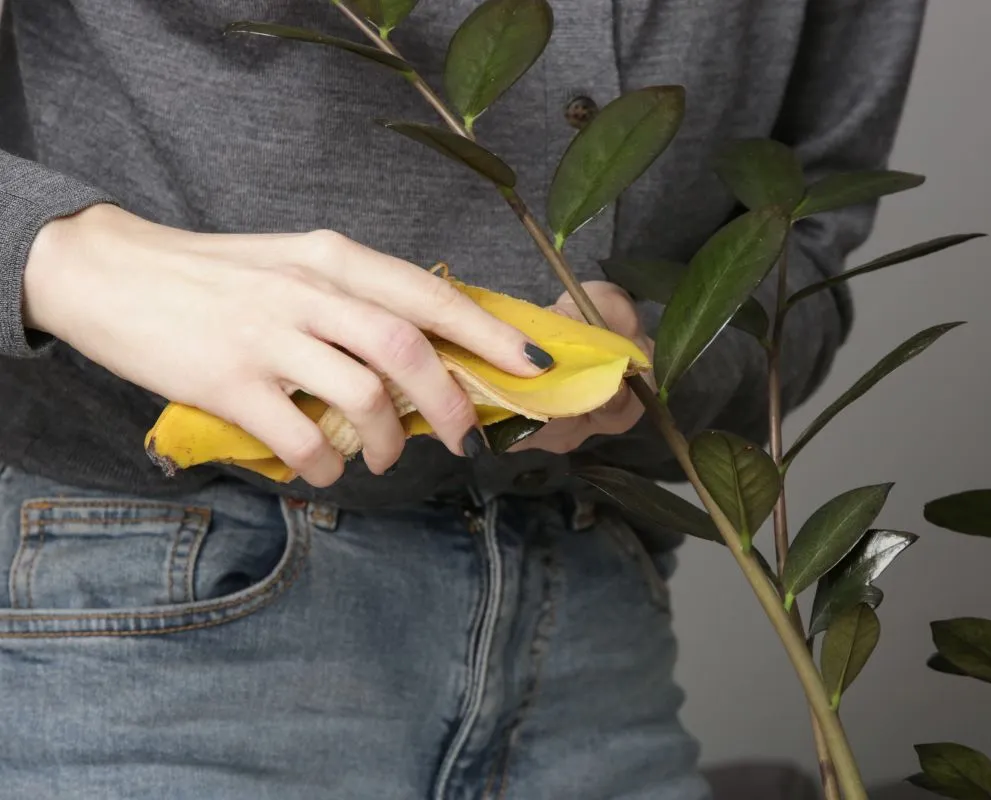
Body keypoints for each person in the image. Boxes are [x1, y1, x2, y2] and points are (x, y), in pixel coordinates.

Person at [0, 1, 925, 797]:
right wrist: (63, 254)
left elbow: (808, 230)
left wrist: (662, 356)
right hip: (152, 592)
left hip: (591, 622)